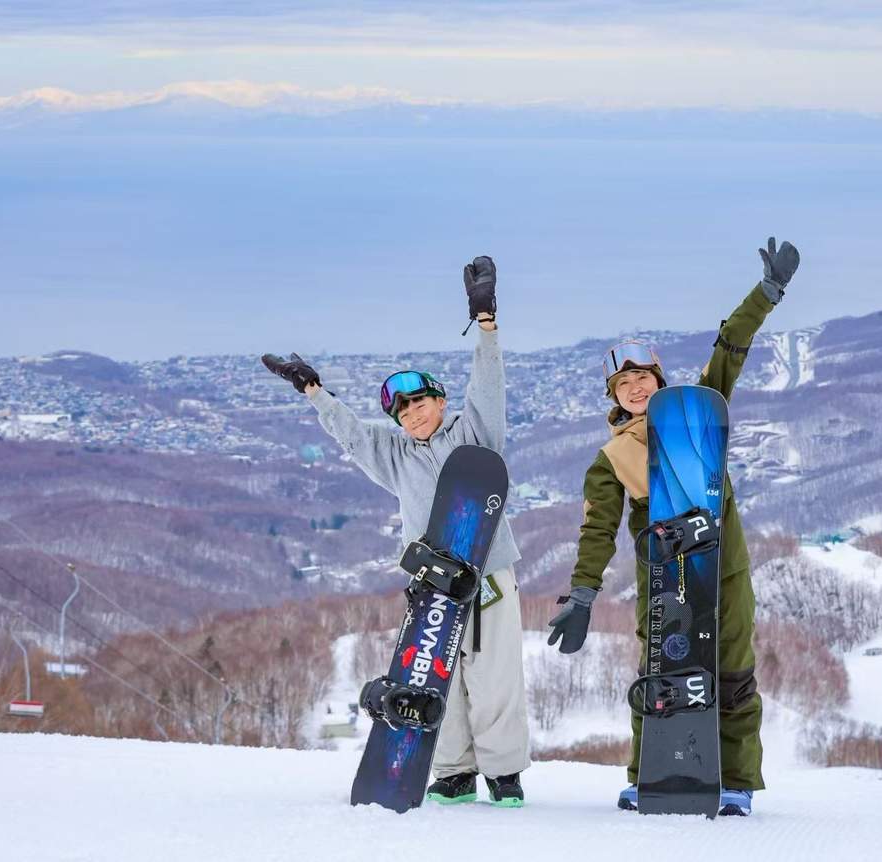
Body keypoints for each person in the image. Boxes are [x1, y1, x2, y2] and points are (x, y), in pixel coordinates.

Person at [262, 256, 531, 808]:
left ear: (439, 399)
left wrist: (485, 324)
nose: (410, 414)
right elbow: (353, 437)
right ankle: (454, 770)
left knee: (495, 678)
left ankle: (504, 774)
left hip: (489, 575)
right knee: (440, 678)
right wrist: (313, 393)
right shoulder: (395, 456)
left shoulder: (475, 433)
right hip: (434, 582)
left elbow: (488, 387)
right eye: (400, 409)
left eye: (418, 401)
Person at [546, 237, 801, 817]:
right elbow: (597, 530)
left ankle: (735, 778)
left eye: (642, 376)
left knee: (732, 670)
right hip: (664, 577)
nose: (635, 386)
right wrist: (583, 594)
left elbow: (731, 346)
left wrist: (766, 294)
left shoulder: (698, 412)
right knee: (660, 669)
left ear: (659, 377)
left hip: (723, 566)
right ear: (614, 396)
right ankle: (649, 774)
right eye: (622, 383)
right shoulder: (611, 458)